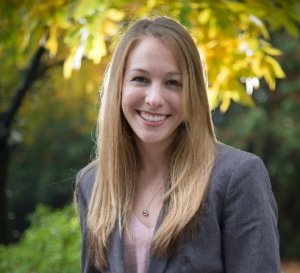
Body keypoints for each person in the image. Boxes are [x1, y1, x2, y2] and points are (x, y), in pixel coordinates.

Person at [75, 16, 280, 273]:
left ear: (192, 93)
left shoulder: (237, 177)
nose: (154, 99)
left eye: (173, 83)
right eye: (140, 79)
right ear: (119, 86)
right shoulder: (91, 183)